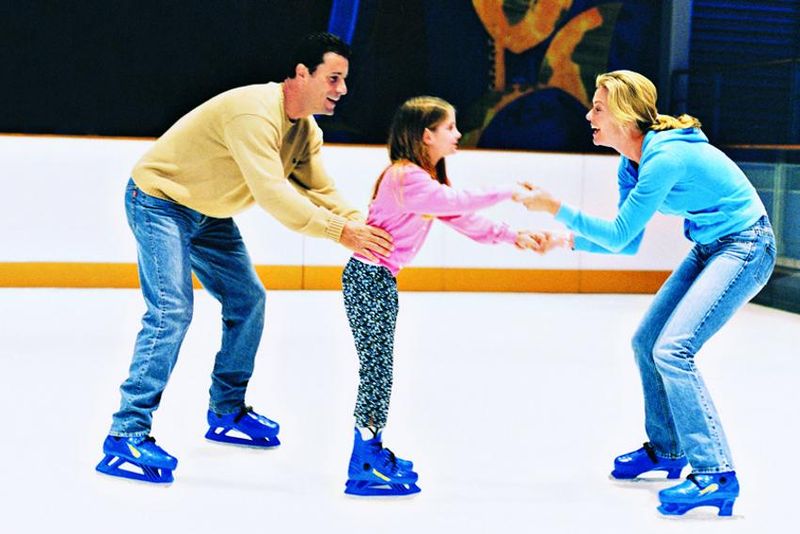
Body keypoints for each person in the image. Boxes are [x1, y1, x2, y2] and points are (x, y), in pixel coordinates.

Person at [96, 32, 393, 484]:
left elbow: (320, 189)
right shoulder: (254, 115)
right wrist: (342, 233)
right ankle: (126, 431)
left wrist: (363, 227)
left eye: (344, 80)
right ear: (302, 74)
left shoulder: (305, 130)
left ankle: (226, 410)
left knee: (248, 300)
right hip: (159, 202)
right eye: (333, 78)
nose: (343, 89)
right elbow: (273, 195)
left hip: (210, 215)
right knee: (171, 311)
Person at [519, 70, 776, 516]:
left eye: (598, 108)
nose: (589, 116)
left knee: (673, 349)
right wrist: (563, 240)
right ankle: (667, 449)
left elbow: (619, 235)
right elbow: (628, 243)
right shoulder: (631, 163)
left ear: (623, 115)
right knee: (646, 342)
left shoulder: (665, 157)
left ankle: (715, 473)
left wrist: (556, 208)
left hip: (747, 246)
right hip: (711, 246)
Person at [341, 95, 542, 496]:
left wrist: (512, 236)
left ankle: (370, 449)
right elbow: (456, 202)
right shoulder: (405, 178)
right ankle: (364, 459)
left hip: (377, 280)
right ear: (426, 135)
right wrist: (508, 191)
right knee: (377, 369)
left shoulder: (419, 180)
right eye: (449, 127)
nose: (457, 133)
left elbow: (462, 218)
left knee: (379, 368)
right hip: (368, 279)